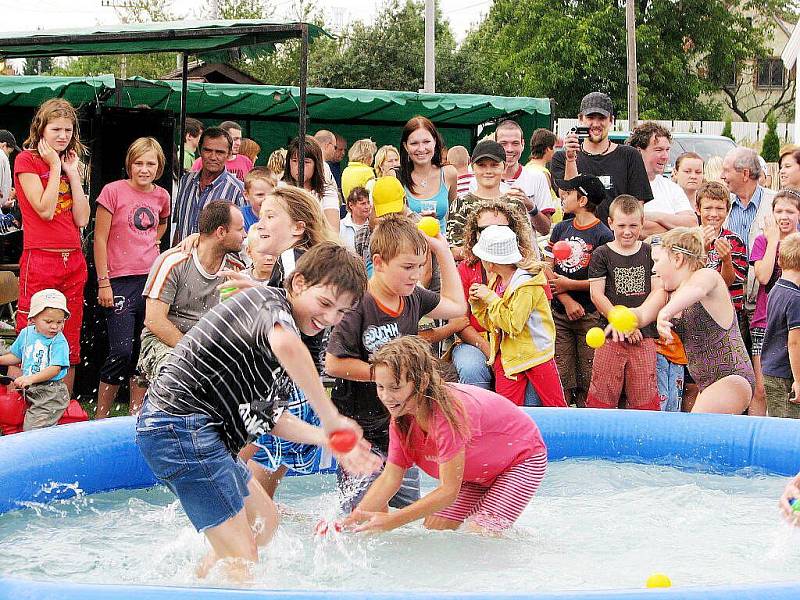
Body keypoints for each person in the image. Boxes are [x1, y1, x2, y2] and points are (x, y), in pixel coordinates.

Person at [136, 243, 380, 581]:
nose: (329, 318)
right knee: (242, 555)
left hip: (199, 434)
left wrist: (326, 439)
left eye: (340, 313)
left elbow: (267, 417)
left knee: (264, 524)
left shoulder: (275, 324)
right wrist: (330, 416)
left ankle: (202, 581)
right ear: (298, 284)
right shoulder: (272, 308)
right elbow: (287, 345)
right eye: (325, 303)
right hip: (179, 426)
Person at [325, 214, 466, 511]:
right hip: (360, 430)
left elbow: (457, 307)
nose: (415, 275)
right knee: (361, 516)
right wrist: (387, 376)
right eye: (407, 267)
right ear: (378, 263)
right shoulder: (358, 304)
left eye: (419, 266)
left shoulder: (413, 296)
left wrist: (441, 251)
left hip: (403, 428)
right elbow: (334, 364)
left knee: (404, 517)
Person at [345, 335, 548, 534]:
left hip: (522, 459)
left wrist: (393, 520)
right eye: (380, 387)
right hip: (480, 472)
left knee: (481, 533)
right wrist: (351, 523)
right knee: (434, 529)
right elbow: (390, 478)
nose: (386, 397)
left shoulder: (448, 413)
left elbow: (448, 491)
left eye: (395, 387)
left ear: (422, 382)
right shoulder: (401, 419)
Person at [627, 227, 755, 414]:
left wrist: (665, 313)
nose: (653, 269)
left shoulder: (707, 276)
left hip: (732, 377)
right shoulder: (667, 292)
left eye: (657, 261)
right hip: (706, 384)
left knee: (695, 436)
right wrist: (621, 319)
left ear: (677, 259)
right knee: (705, 440)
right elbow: (641, 314)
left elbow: (697, 290)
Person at [14, 98, 90, 396]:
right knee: (30, 330)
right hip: (41, 256)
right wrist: (56, 166)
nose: (62, 136)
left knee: (68, 335)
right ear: (41, 130)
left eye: (68, 130)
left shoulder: (71, 162)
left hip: (72, 257)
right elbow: (45, 210)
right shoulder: (26, 160)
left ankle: (61, 406)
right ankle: (17, 405)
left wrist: (72, 173)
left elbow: (82, 218)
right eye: (56, 129)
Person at [93, 137, 171, 419]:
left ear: (159, 166)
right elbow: (99, 239)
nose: (144, 169)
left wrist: (153, 241)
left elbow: (161, 222)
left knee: (142, 351)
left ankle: (135, 415)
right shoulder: (112, 191)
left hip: (150, 280)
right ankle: (100, 417)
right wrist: (104, 282)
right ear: (129, 164)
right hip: (118, 280)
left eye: (150, 163)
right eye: (139, 163)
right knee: (121, 351)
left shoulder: (162, 196)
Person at [137, 201, 246, 387]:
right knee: (177, 372)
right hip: (165, 343)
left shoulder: (235, 270)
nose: (244, 235)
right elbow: (154, 320)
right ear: (221, 232)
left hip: (210, 346)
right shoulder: (174, 262)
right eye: (240, 229)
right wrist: (195, 353)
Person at [469, 225, 567, 407]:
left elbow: (514, 324)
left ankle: (567, 435)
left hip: (537, 355)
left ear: (490, 262)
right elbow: (492, 324)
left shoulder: (527, 285)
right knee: (506, 411)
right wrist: (478, 304)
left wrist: (490, 299)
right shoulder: (497, 281)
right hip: (509, 356)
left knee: (556, 407)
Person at [446, 201, 536, 390]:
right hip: (476, 341)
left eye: (500, 228)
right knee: (471, 368)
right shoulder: (465, 268)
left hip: (519, 342)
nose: (492, 233)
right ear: (475, 234)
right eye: (485, 229)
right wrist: (492, 353)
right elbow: (460, 323)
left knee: (530, 384)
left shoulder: (527, 270)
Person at [586, 195, 660, 411]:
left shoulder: (649, 253)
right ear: (610, 223)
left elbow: (657, 291)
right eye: (621, 225)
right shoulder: (602, 254)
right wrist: (623, 324)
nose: (627, 231)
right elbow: (597, 295)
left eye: (633, 225)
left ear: (642, 224)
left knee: (644, 397)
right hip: (610, 337)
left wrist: (635, 324)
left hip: (644, 336)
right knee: (603, 396)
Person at [546, 175, 613, 407]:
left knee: (589, 372)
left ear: (582, 200)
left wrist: (571, 286)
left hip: (590, 315)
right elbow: (546, 266)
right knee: (561, 373)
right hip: (559, 314)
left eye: (568, 193)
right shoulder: (560, 228)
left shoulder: (603, 235)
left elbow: (604, 280)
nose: (563, 198)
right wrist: (565, 299)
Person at [551, 91, 653, 226]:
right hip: (576, 239)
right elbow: (566, 197)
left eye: (602, 118)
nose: (596, 124)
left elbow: (637, 207)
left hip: (616, 241)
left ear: (611, 120)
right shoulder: (561, 157)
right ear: (580, 119)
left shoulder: (630, 156)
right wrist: (570, 159)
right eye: (590, 117)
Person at [748, 188, 800, 416]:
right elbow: (764, 277)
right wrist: (772, 242)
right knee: (762, 388)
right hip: (765, 321)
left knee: (786, 382)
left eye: (790, 211)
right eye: (779, 211)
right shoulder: (763, 241)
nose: (784, 216)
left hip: (793, 319)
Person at [447, 140, 530, 261]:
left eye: (494, 165)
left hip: (509, 275)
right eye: (482, 165)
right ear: (472, 167)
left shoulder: (515, 204)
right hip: (472, 275)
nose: (488, 171)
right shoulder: (461, 204)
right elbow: (455, 250)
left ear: (504, 166)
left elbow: (525, 247)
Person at [0, 288, 70, 431]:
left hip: (51, 393)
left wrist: (30, 379)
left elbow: (55, 369)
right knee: (11, 413)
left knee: (33, 429)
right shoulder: (26, 334)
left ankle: (37, 450)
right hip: (29, 388)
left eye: (60, 322)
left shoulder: (59, 341)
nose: (55, 326)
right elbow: (16, 356)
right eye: (48, 321)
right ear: (33, 318)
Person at [471, 120, 554, 235]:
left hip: (526, 252)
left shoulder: (537, 177)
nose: (509, 149)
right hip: (487, 252)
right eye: (503, 144)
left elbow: (545, 230)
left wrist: (530, 206)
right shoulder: (477, 181)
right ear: (495, 144)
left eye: (515, 143)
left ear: (523, 144)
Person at [172, 127, 245, 243]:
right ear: (200, 151)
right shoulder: (185, 182)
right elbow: (179, 227)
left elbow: (241, 235)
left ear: (229, 154)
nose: (213, 157)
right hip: (183, 257)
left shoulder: (237, 190)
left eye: (220, 152)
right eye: (208, 150)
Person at [628, 122, 697, 237]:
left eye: (667, 150)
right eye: (658, 150)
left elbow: (692, 224)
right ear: (639, 151)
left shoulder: (672, 188)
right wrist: (674, 227)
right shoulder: (625, 185)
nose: (665, 156)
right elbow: (634, 229)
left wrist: (655, 216)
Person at [761, 232, 800, 418]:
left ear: (779, 260)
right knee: (788, 431)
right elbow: (795, 343)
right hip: (787, 376)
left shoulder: (776, 288)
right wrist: (799, 381)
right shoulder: (796, 298)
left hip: (771, 370)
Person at [398, 116, 458, 234]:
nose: (421, 149)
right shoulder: (396, 177)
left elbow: (454, 216)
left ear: (435, 141)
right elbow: (378, 222)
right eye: (414, 143)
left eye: (426, 142)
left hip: (440, 247)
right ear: (406, 146)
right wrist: (411, 219)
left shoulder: (449, 173)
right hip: (409, 249)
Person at [282, 135, 341, 232]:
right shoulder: (281, 190)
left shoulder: (327, 192)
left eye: (306, 162)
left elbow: (333, 230)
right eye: (294, 161)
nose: (299, 166)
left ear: (316, 164)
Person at [526, 128, 561, 224]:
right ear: (548, 149)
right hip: (547, 226)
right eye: (554, 147)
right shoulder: (542, 174)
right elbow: (544, 202)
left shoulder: (527, 168)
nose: (554, 151)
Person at [340, 186, 370, 252]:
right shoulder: (340, 227)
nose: (367, 207)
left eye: (368, 202)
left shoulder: (373, 225)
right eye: (363, 204)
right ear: (351, 205)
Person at [0, 130, 19, 207]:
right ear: (4, 145)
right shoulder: (1, 155)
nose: (8, 156)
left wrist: (3, 204)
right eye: (9, 152)